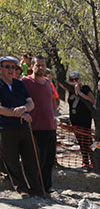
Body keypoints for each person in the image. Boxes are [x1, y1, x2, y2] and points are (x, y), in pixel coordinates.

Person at [0, 56, 44, 198]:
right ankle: (21, 188)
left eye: (13, 67)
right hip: (6, 128)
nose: (11, 70)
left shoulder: (19, 84)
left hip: (24, 127)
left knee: (32, 156)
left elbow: (31, 103)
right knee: (11, 160)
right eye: (7, 67)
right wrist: (18, 114)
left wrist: (24, 108)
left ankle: (36, 189)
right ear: (1, 69)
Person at [22, 56, 58, 194]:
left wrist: (53, 117)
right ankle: (35, 188)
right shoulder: (25, 82)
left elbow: (53, 100)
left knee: (49, 160)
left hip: (50, 127)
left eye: (43, 65)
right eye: (38, 65)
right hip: (34, 128)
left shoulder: (48, 82)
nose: (41, 68)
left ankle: (46, 188)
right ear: (32, 66)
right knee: (37, 161)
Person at [65, 71, 95, 169]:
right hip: (74, 119)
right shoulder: (70, 90)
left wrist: (80, 93)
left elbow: (93, 100)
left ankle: (94, 161)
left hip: (85, 119)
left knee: (87, 140)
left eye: (76, 79)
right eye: (72, 79)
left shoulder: (85, 88)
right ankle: (85, 161)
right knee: (80, 141)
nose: (74, 81)